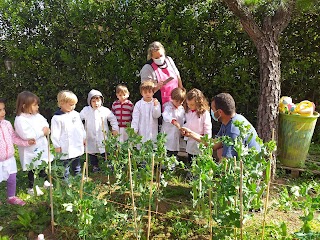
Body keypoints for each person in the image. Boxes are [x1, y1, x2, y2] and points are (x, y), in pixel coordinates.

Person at [181, 93, 260, 160]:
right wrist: (190, 134)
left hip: (248, 171)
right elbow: (214, 144)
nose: (211, 112)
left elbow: (227, 161)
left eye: (212, 109)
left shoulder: (233, 131)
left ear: (220, 112)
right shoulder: (230, 121)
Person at [14, 91, 52, 195]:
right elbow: (26, 135)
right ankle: (32, 187)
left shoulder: (37, 116)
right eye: (35, 105)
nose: (37, 107)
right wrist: (41, 132)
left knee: (42, 164)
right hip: (30, 149)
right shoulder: (20, 119)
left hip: (41, 145)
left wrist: (46, 129)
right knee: (33, 167)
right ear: (24, 106)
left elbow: (45, 123)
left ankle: (44, 181)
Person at [0, 99, 35, 205]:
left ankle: (11, 197)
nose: (3, 112)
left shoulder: (6, 124)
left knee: (12, 178)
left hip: (9, 158)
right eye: (0, 110)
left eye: (3, 109)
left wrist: (26, 142)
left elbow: (14, 138)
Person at [80, 89, 119, 172]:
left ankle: (108, 164)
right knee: (91, 151)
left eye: (98, 101)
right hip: (90, 135)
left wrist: (115, 129)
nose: (96, 103)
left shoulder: (105, 110)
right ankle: (95, 165)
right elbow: (78, 119)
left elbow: (113, 119)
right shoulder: (86, 110)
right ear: (89, 102)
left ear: (101, 101)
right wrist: (81, 131)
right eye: (93, 101)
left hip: (103, 135)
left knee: (105, 150)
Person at [51, 90, 86, 180]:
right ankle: (65, 179)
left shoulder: (76, 114)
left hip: (76, 142)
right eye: (71, 104)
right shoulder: (57, 118)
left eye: (74, 104)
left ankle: (78, 175)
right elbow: (55, 133)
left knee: (76, 161)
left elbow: (81, 127)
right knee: (65, 164)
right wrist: (57, 145)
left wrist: (84, 137)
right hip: (64, 145)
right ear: (62, 103)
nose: (73, 107)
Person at [140, 41, 183, 108]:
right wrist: (157, 87)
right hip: (158, 105)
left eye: (161, 56)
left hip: (176, 101)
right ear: (151, 57)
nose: (159, 59)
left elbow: (177, 76)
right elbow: (145, 91)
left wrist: (182, 92)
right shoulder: (147, 68)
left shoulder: (169, 60)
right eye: (156, 58)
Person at [183, 88, 212, 163]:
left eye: (192, 104)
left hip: (200, 144)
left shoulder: (204, 114)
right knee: (190, 161)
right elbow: (187, 123)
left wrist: (206, 141)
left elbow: (207, 131)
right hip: (190, 143)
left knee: (200, 164)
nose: (189, 106)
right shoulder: (188, 112)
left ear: (199, 102)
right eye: (188, 104)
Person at [161, 87, 186, 158]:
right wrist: (173, 121)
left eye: (181, 102)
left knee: (174, 152)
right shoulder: (168, 106)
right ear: (172, 98)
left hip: (176, 136)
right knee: (166, 151)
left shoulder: (181, 109)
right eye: (176, 101)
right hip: (168, 134)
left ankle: (172, 167)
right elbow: (165, 115)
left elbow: (183, 119)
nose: (178, 103)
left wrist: (183, 128)